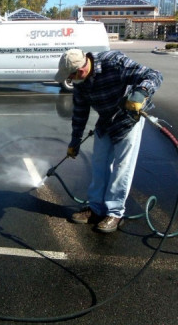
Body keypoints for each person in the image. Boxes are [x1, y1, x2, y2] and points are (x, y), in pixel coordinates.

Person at [55, 49, 163, 233]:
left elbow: (153, 75)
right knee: (99, 163)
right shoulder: (81, 84)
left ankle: (115, 213)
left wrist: (141, 92)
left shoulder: (113, 62)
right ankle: (96, 209)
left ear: (80, 69)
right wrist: (75, 140)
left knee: (122, 168)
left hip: (129, 120)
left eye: (71, 76)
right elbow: (80, 111)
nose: (70, 81)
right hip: (105, 120)